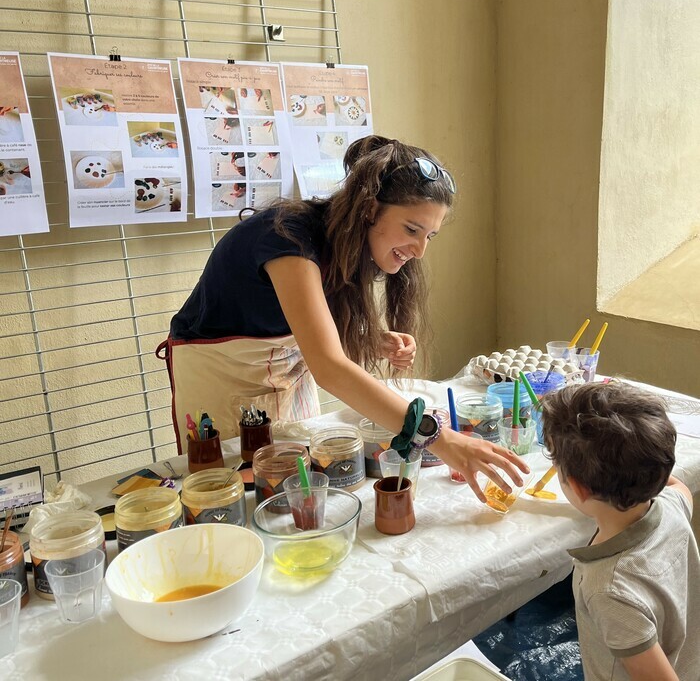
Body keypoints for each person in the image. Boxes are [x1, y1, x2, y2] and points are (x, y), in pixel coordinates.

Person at [158, 135, 527, 500]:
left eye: (430, 235)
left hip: (288, 371)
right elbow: (330, 368)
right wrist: (437, 438)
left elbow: (310, 322)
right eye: (411, 230)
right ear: (369, 209)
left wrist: (370, 336)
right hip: (221, 373)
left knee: (295, 482)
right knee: (227, 492)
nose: (419, 250)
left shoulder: (345, 240)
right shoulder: (288, 239)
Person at [540, 382, 700, 681]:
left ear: (577, 487)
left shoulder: (608, 589)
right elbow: (678, 486)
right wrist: (639, 468)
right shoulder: (672, 505)